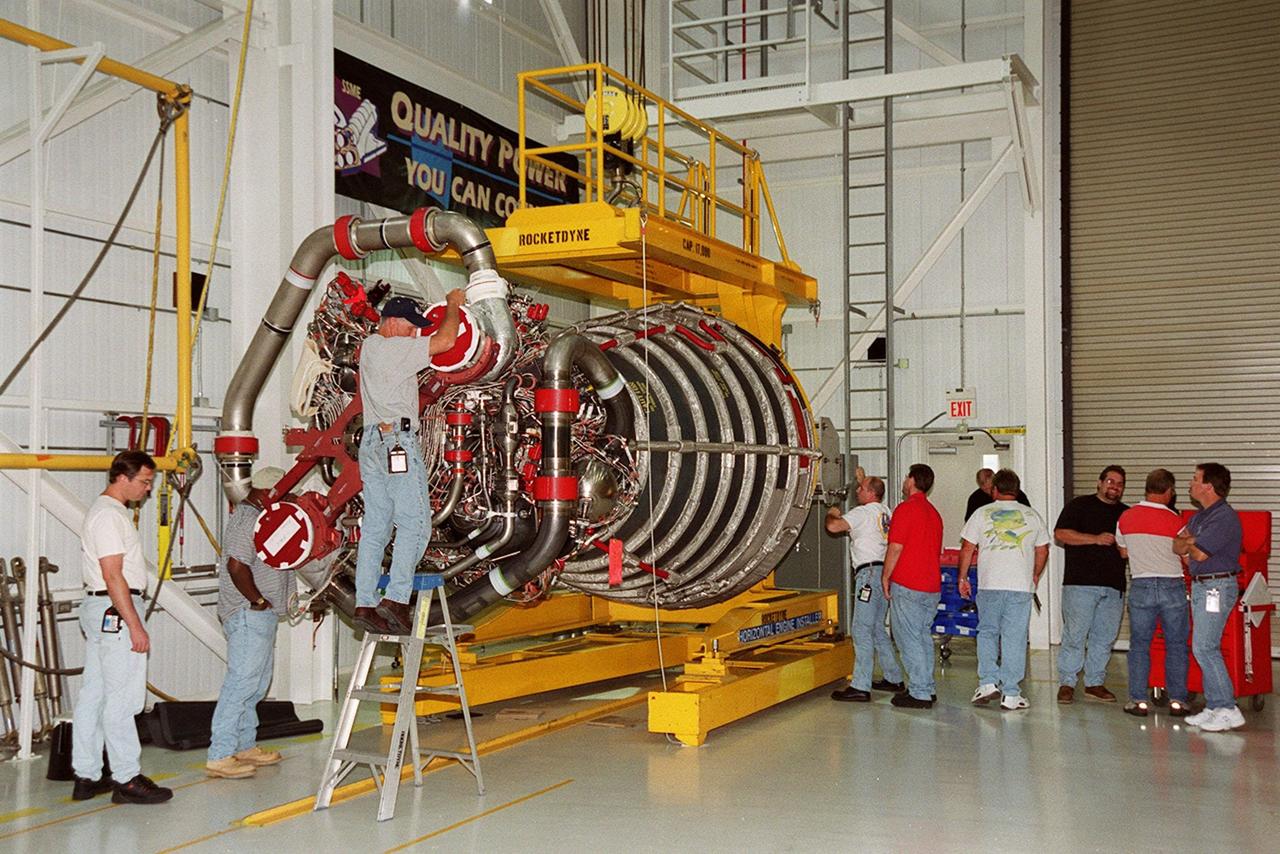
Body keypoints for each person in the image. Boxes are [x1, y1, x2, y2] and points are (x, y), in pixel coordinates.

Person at [354, 292, 465, 634]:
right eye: (411, 326)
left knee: (375, 528)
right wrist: (453, 306)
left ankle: (365, 602)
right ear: (394, 321)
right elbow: (445, 341)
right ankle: (397, 599)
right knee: (415, 523)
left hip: (371, 442)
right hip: (396, 444)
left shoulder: (369, 348)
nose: (414, 333)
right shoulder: (393, 348)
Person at [72, 450, 173, 805]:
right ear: (122, 478)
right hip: (115, 608)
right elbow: (112, 574)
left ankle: (86, 774)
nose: (148, 489)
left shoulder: (107, 513)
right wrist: (135, 626)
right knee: (122, 697)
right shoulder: (110, 517)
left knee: (95, 694)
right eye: (145, 482)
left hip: (102, 608)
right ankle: (127, 778)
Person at [206, 466, 296, 779]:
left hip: (261, 614)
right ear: (267, 492)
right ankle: (220, 754)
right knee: (242, 682)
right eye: (282, 493)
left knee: (256, 683)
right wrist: (257, 600)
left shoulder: (265, 518)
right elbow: (236, 566)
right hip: (247, 613)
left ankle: (244, 745)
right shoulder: (247, 519)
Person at [958, 468, 1049, 710]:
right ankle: (1011, 693)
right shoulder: (1032, 516)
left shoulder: (981, 513)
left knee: (987, 632)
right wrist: (1035, 574)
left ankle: (987, 683)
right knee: (1014, 637)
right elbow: (1043, 550)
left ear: (994, 490)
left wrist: (962, 578)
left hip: (990, 585)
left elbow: (967, 548)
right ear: (1017, 491)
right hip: (1020, 586)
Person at [1115, 469, 1190, 718]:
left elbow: (1123, 552)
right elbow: (1187, 557)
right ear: (1169, 491)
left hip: (1141, 585)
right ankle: (1178, 700)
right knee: (1176, 645)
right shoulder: (1176, 521)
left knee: (1139, 645)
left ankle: (1138, 700)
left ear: (1146, 489)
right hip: (1173, 587)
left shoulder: (1126, 517)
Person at [1176, 463, 1245, 732]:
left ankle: (1227, 707)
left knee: (1205, 647)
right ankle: (1215, 706)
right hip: (1202, 586)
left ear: (1209, 486)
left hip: (1216, 586)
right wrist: (1191, 542)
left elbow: (1200, 554)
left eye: (1195, 479)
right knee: (1203, 646)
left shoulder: (1223, 517)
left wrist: (1191, 543)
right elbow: (1177, 544)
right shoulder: (1201, 516)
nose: (1189, 484)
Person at [1053, 465, 1128, 704]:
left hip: (1114, 586)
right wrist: (1095, 539)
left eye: (1119, 484)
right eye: (1110, 481)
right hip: (1080, 585)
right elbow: (1061, 534)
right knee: (1075, 635)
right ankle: (1067, 683)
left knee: (1104, 638)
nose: (1114, 487)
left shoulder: (1127, 514)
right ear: (1099, 482)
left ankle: (1095, 683)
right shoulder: (1079, 506)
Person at [826, 473, 903, 702]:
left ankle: (860, 685)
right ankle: (893, 678)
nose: (857, 491)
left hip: (867, 575)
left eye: (861, 488)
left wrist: (833, 510)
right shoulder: (886, 511)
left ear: (870, 493)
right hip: (884, 574)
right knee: (878, 628)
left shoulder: (861, 513)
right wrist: (862, 477)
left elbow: (834, 527)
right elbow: (873, 488)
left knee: (861, 629)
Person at [882, 463, 944, 709]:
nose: (904, 480)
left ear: (912, 480)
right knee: (922, 637)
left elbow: (895, 547)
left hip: (909, 583)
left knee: (908, 639)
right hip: (930, 585)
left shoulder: (905, 510)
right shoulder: (934, 513)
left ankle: (918, 692)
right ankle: (927, 687)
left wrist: (886, 577)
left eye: (907, 476)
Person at [964, 467, 1032, 521]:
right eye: (985, 489)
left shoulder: (1015, 493)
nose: (990, 492)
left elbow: (1028, 514)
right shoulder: (975, 498)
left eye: (991, 488)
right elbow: (969, 521)